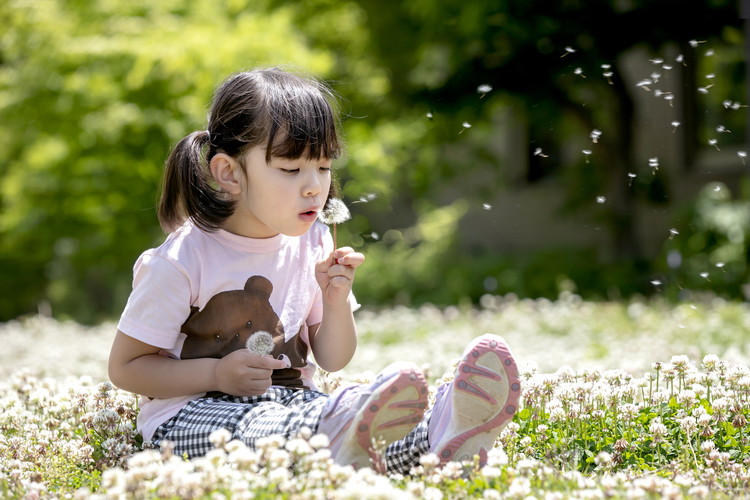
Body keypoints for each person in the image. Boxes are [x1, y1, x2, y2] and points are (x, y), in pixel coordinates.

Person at [108, 67, 521, 474]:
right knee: (274, 429)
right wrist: (216, 372)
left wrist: (335, 301)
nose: (314, 187)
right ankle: (339, 434)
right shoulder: (183, 258)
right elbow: (126, 368)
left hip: (290, 402)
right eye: (291, 169)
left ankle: (439, 434)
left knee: (322, 416)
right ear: (229, 173)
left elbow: (333, 359)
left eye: (323, 167)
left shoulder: (314, 240)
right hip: (191, 415)